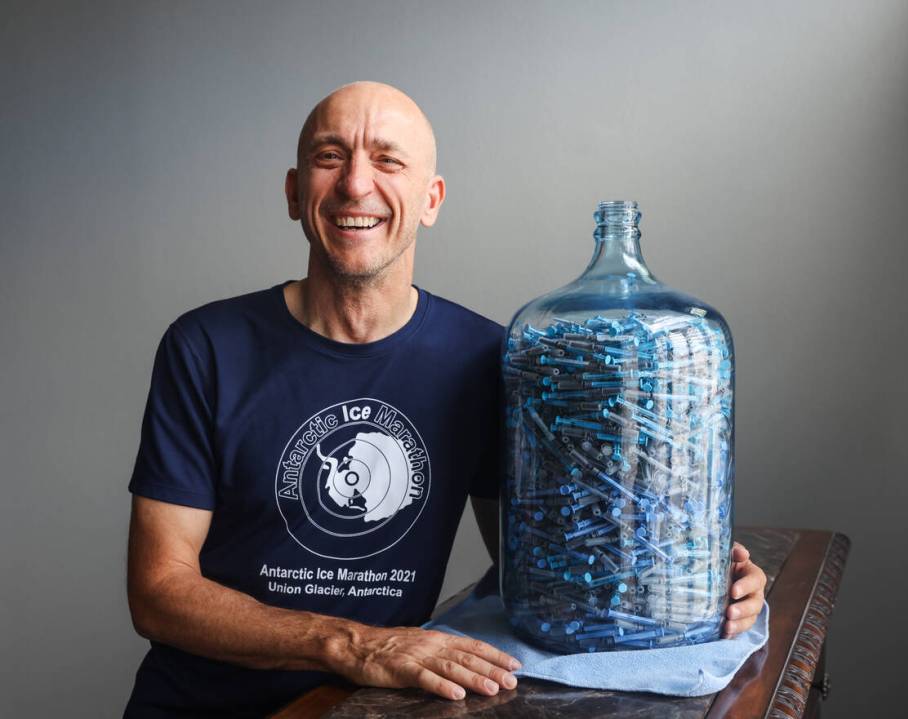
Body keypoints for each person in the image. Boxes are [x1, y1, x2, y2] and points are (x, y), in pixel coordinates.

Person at [124, 81, 767, 717]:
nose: (354, 184)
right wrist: (353, 644)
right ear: (295, 194)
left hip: (371, 706)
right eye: (329, 157)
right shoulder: (205, 346)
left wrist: (697, 584)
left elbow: (549, 572)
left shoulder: (488, 358)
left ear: (430, 199)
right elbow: (157, 591)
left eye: (387, 160)